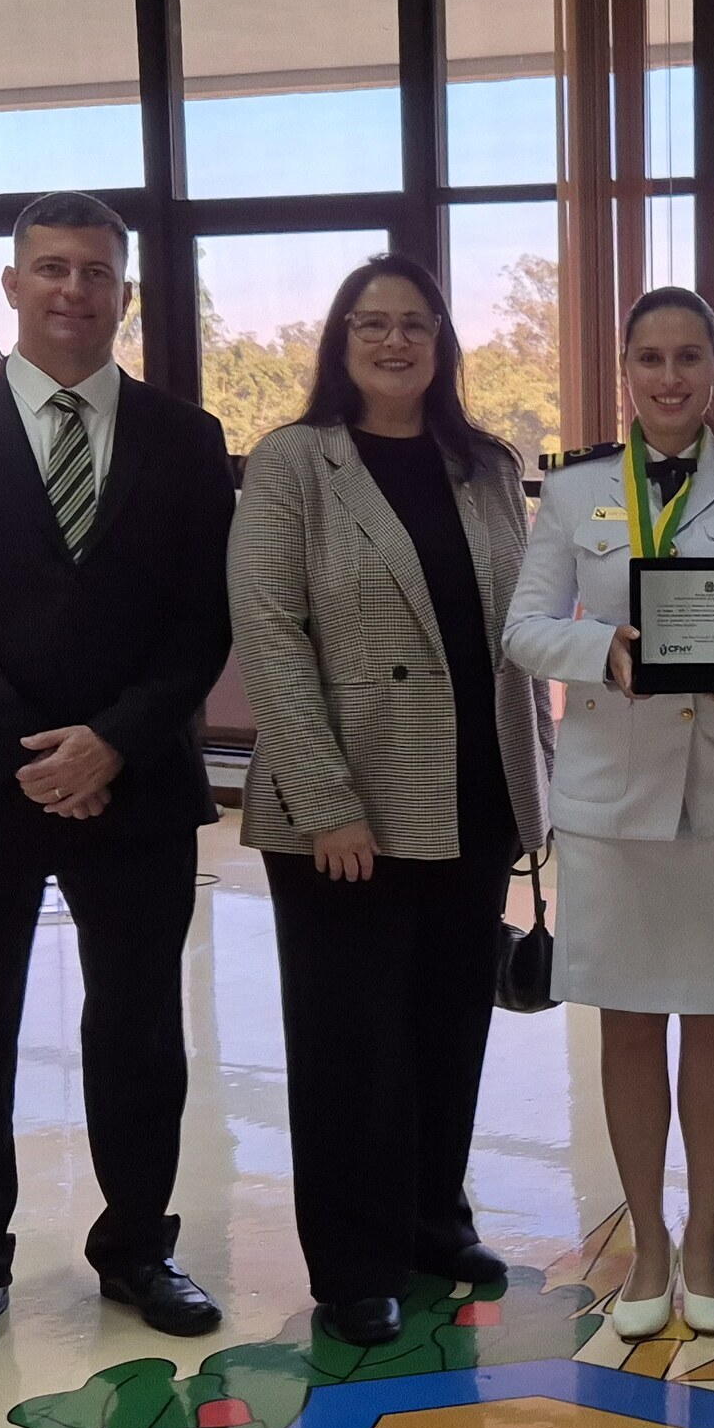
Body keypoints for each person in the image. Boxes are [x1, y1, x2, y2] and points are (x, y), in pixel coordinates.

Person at [0, 191, 236, 1375]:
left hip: (136, 784)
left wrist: (113, 744)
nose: (74, 291)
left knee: (137, 1031)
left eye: (97, 273)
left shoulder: (186, 436)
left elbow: (203, 622)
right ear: (13, 285)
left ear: (125, 294)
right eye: (52, 269)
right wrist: (32, 757)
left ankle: (136, 1248)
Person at [228, 254, 554, 1347]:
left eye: (415, 323)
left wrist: (540, 783)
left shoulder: (485, 465)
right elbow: (268, 634)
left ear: (442, 341)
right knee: (348, 1041)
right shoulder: (294, 465)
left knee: (448, 1026)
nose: (394, 340)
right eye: (371, 323)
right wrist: (325, 800)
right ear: (340, 340)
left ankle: (429, 1218)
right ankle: (354, 1261)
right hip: (345, 804)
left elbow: (524, 626)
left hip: (473, 793)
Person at [503, 287, 714, 1340]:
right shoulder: (580, 489)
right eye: (650, 358)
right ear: (625, 370)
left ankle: (706, 1240)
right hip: (610, 795)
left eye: (689, 357)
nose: (670, 378)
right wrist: (607, 652)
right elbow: (526, 629)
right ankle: (644, 1240)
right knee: (630, 1024)